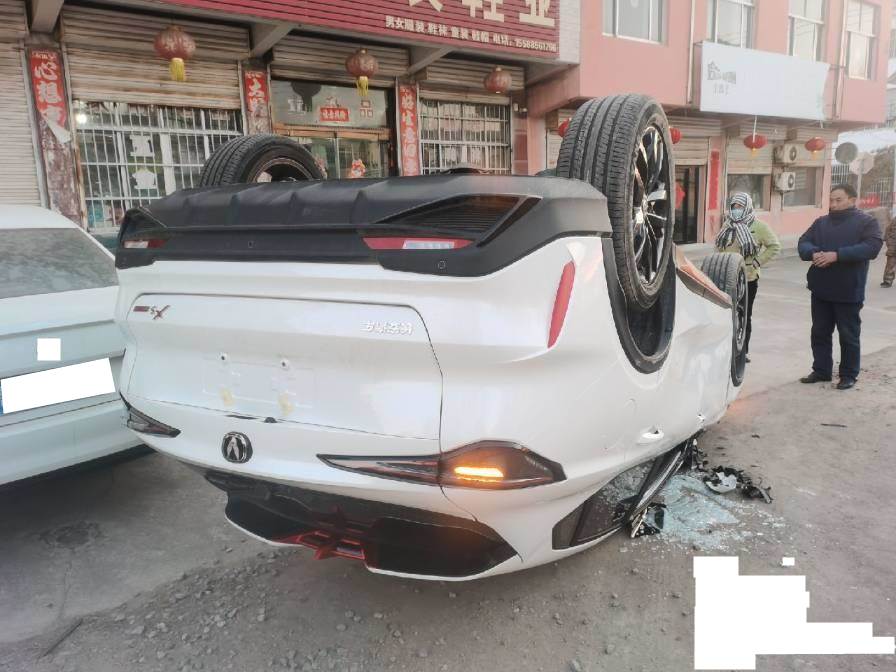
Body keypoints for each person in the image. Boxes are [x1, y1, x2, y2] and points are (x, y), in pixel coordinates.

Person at [797, 184, 883, 390]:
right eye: (831, 200)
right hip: (821, 289)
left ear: (852, 200)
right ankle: (821, 370)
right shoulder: (821, 222)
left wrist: (837, 255)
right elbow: (803, 242)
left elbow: (872, 247)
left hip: (848, 290)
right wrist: (814, 253)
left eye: (839, 200)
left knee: (848, 335)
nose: (833, 204)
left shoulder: (867, 222)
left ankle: (848, 374)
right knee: (819, 332)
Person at [715, 192, 781, 362]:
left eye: (740, 206)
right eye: (734, 206)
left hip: (748, 279)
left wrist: (757, 262)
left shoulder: (759, 226)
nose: (736, 210)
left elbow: (774, 246)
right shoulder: (727, 226)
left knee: (744, 315)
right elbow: (719, 247)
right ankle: (727, 349)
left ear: (748, 207)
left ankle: (742, 351)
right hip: (727, 278)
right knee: (725, 314)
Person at [882, 210, 896, 288]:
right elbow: (888, 232)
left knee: (891, 263)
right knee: (891, 263)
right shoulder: (894, 221)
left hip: (892, 245)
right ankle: (887, 280)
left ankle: (887, 280)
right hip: (893, 245)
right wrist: (890, 245)